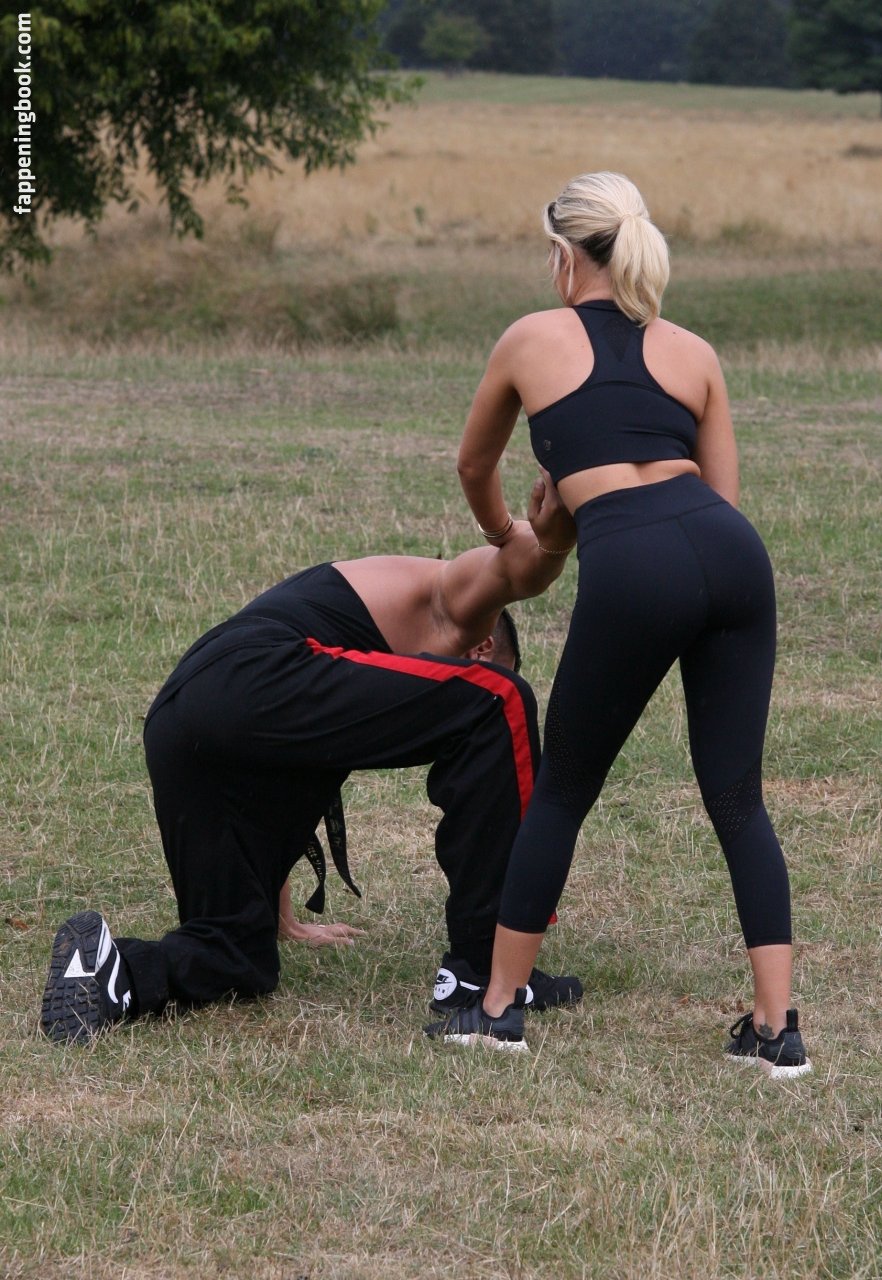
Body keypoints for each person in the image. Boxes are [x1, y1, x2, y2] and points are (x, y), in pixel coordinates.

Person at [426, 172, 811, 1077]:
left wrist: (511, 537)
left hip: (635, 561)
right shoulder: (693, 352)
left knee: (563, 788)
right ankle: (776, 1031)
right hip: (730, 554)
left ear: (564, 256)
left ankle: (497, 1011)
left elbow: (474, 464)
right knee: (738, 798)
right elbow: (719, 501)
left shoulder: (531, 338)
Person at [40, 474, 583, 1044]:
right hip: (248, 675)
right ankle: (483, 973)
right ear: (483, 649)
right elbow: (515, 567)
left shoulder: (331, 669)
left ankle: (109, 972)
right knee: (498, 703)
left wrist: (282, 917)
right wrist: (566, 521)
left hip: (184, 718)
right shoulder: (457, 605)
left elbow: (282, 758)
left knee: (234, 955)